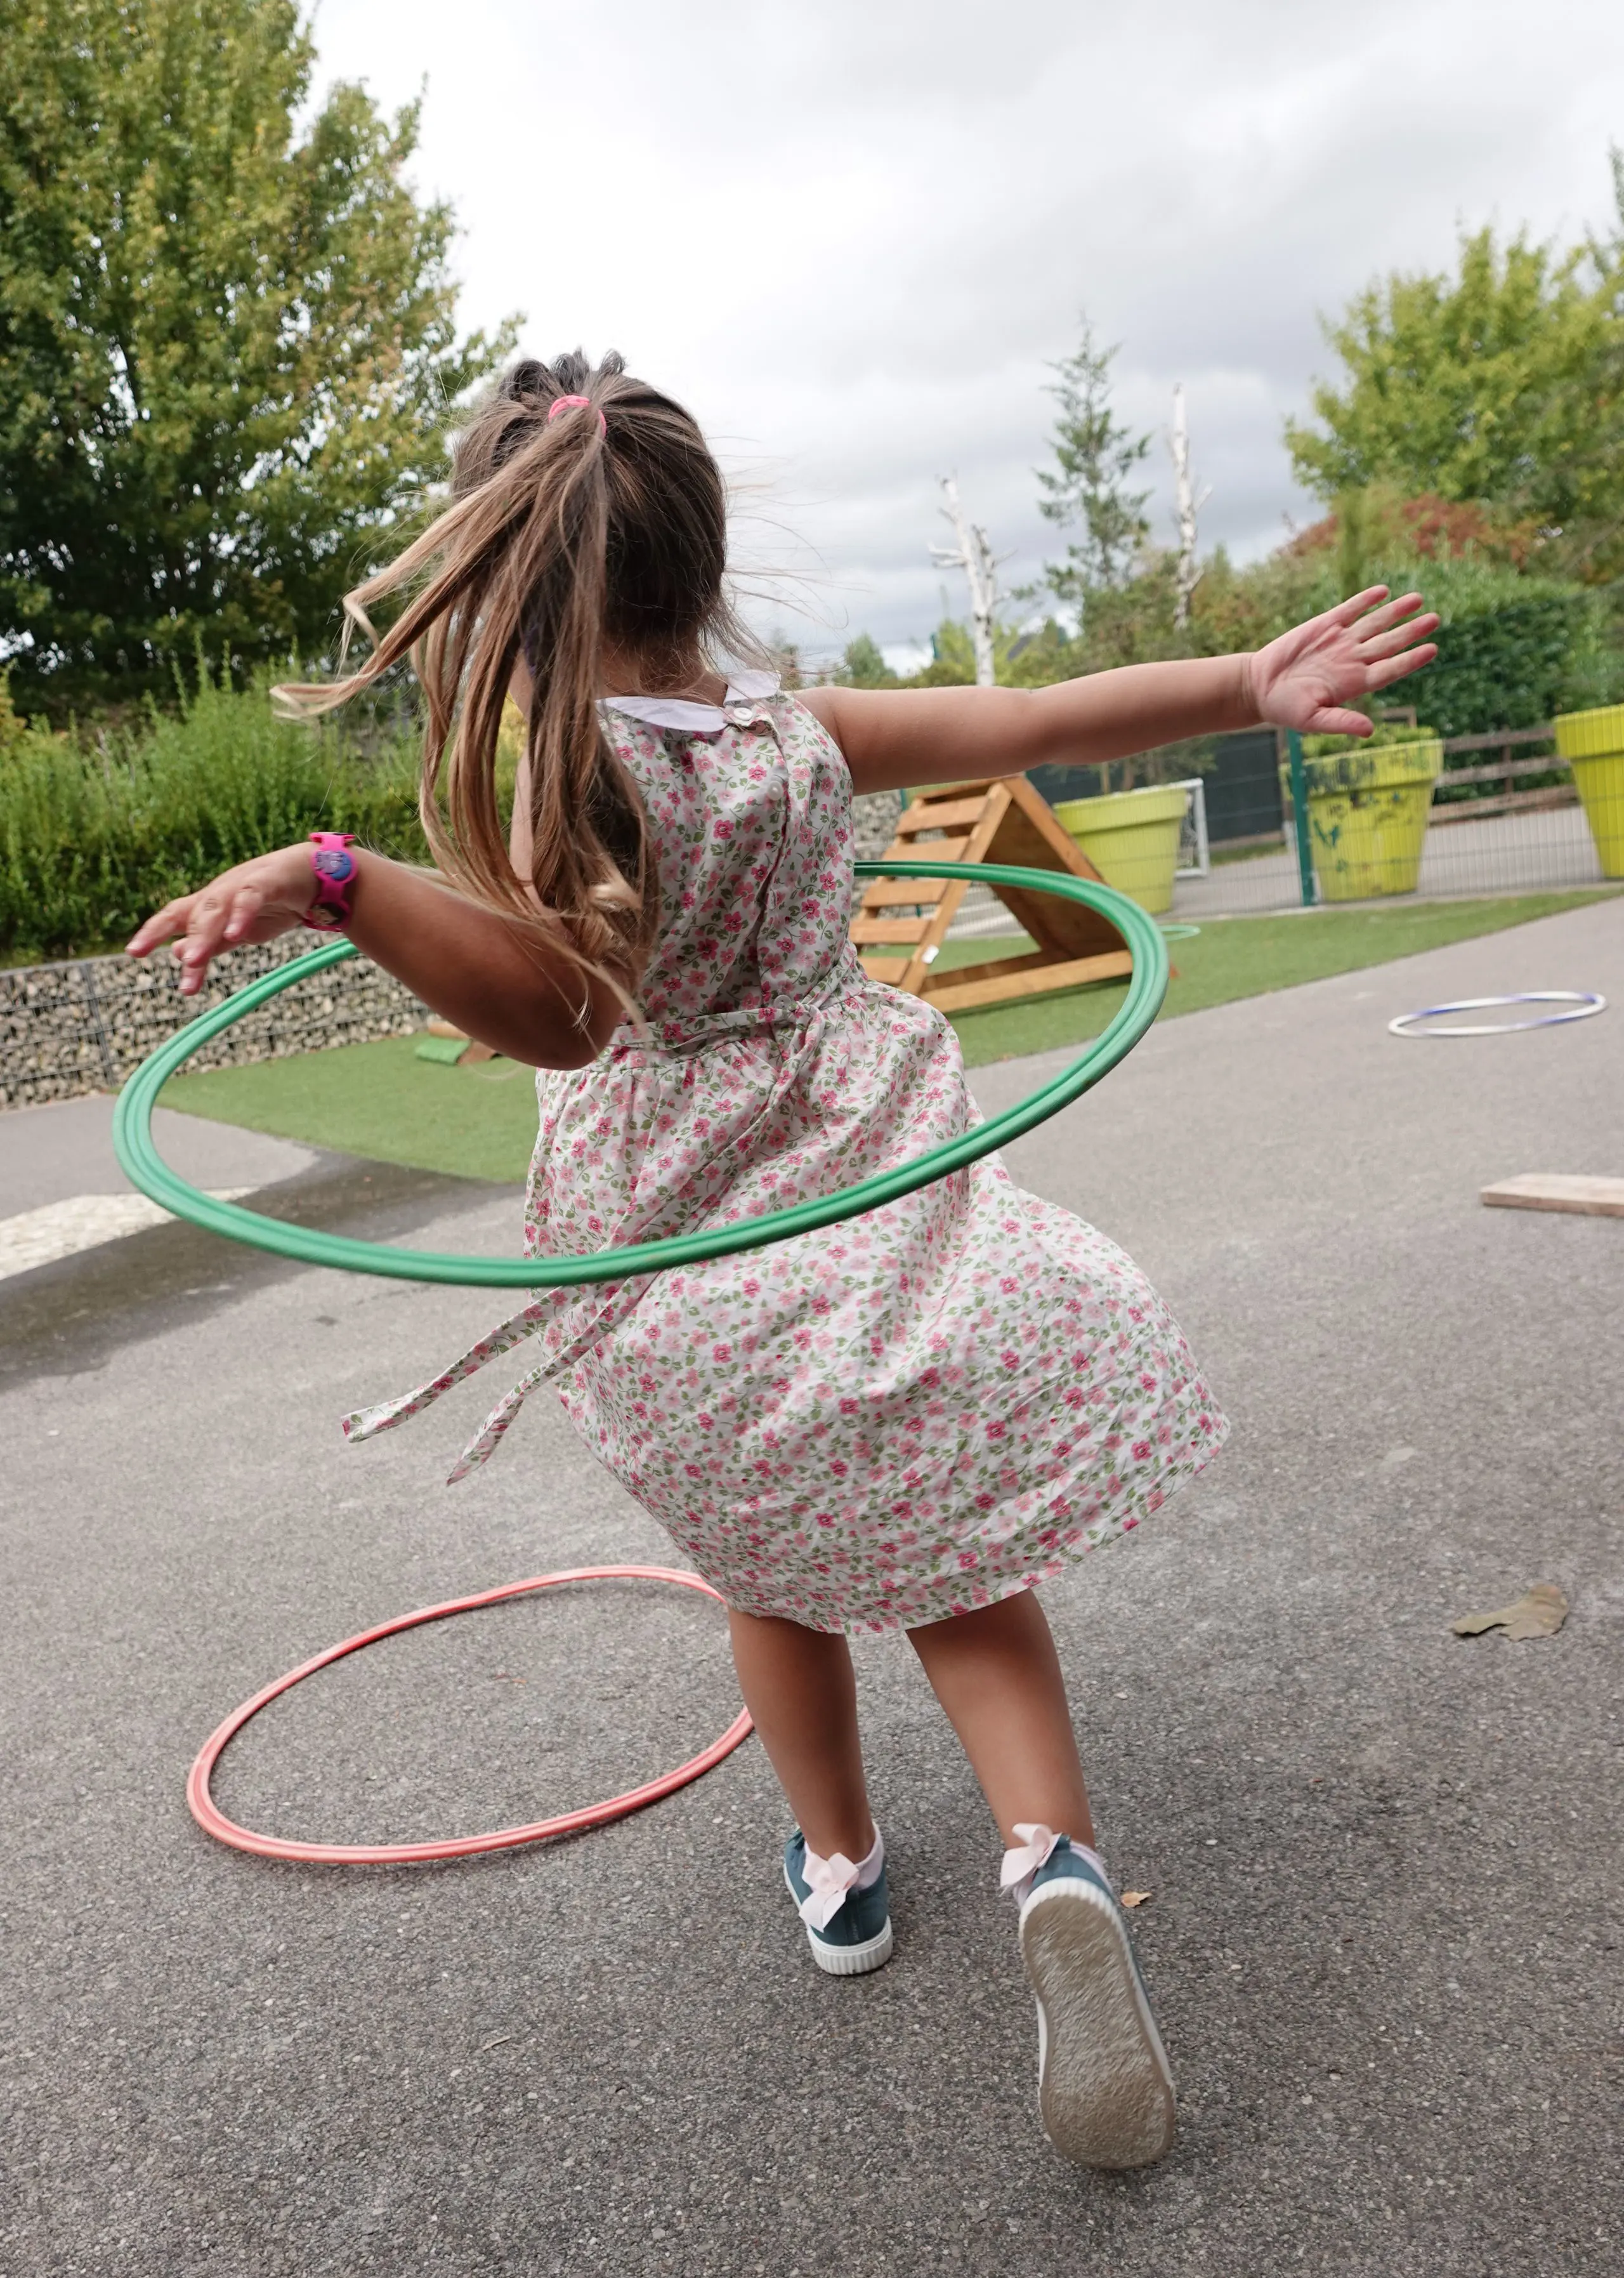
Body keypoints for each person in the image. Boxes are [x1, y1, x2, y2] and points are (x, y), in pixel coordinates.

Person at [128, 352, 1436, 2170]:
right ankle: (1051, 1855)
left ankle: (843, 1869)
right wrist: (1241, 681)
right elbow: (1042, 716)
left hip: (691, 1247)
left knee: (774, 1564)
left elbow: (558, 1023)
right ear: (702, 558)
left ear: (519, 589)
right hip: (863, 1187)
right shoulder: (800, 735)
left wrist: (340, 880)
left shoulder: (571, 787)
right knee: (958, 1563)